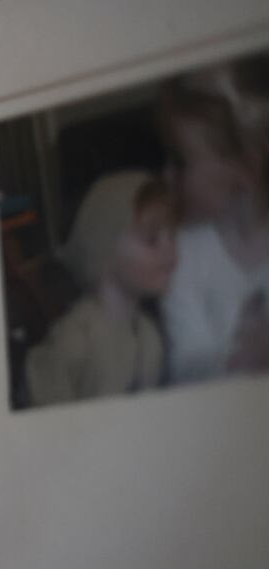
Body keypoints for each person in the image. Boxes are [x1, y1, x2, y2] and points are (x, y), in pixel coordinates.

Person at [158, 53, 269, 384]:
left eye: (180, 162)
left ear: (245, 170)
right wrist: (238, 361)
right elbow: (186, 368)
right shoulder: (182, 256)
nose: (166, 176)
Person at [26, 171, 177, 406]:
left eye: (173, 236)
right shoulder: (75, 339)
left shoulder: (150, 337)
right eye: (153, 239)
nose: (172, 252)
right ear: (105, 248)